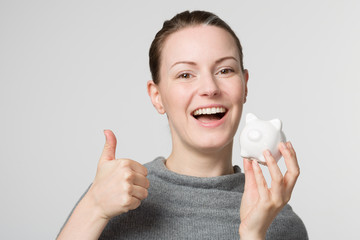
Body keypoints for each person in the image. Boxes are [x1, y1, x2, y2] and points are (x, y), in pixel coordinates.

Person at [57, 10, 308, 240]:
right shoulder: (112, 198)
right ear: (157, 97)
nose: (209, 88)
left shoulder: (280, 221)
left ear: (245, 86)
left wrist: (253, 233)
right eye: (185, 75)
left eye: (224, 70)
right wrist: (93, 208)